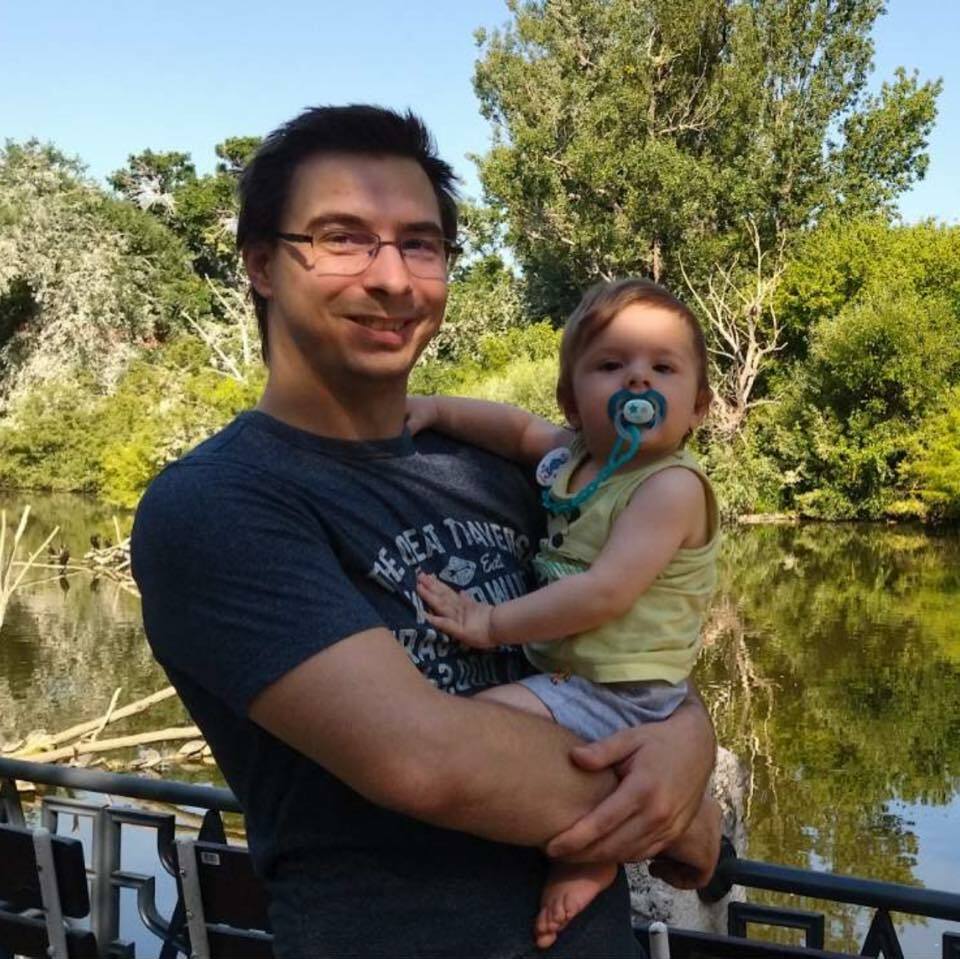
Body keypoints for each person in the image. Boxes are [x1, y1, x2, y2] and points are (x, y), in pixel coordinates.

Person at [131, 104, 721, 959]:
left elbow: (626, 638)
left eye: (420, 244)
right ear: (261, 263)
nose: (392, 278)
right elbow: (426, 758)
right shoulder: (218, 505)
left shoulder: (499, 472)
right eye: (342, 238)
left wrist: (689, 734)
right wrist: (677, 809)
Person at [407, 277, 719, 948]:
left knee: (483, 725)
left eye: (663, 368)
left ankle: (593, 857)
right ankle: (594, 850)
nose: (637, 379)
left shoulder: (670, 488)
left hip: (625, 690)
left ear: (698, 406)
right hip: (580, 676)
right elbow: (515, 429)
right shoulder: (573, 460)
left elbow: (605, 592)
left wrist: (489, 623)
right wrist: (434, 408)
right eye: (611, 365)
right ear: (572, 401)